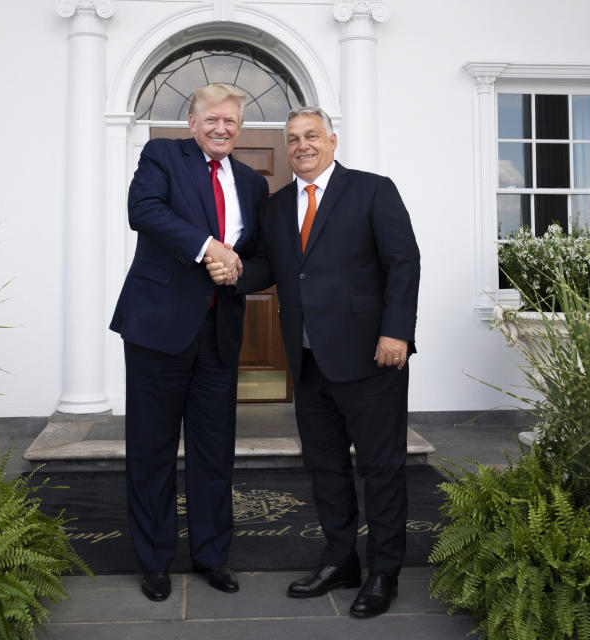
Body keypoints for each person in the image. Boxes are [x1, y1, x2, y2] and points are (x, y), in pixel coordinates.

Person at [207, 106, 420, 618]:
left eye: (311, 136)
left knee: (381, 468)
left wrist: (397, 332)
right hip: (306, 360)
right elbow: (271, 269)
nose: (301, 145)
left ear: (332, 140)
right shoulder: (279, 206)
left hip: (371, 357)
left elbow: (403, 261)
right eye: (293, 138)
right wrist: (230, 270)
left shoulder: (373, 190)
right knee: (325, 468)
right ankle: (340, 560)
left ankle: (384, 571)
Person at [110, 84, 269, 602]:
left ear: (239, 127)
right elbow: (145, 211)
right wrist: (209, 248)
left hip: (219, 333)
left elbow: (257, 258)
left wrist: (236, 271)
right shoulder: (162, 156)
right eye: (212, 119)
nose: (221, 128)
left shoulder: (251, 182)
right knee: (153, 450)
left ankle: (211, 555)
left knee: (213, 452)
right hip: (158, 329)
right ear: (192, 121)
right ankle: (155, 560)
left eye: (230, 121)